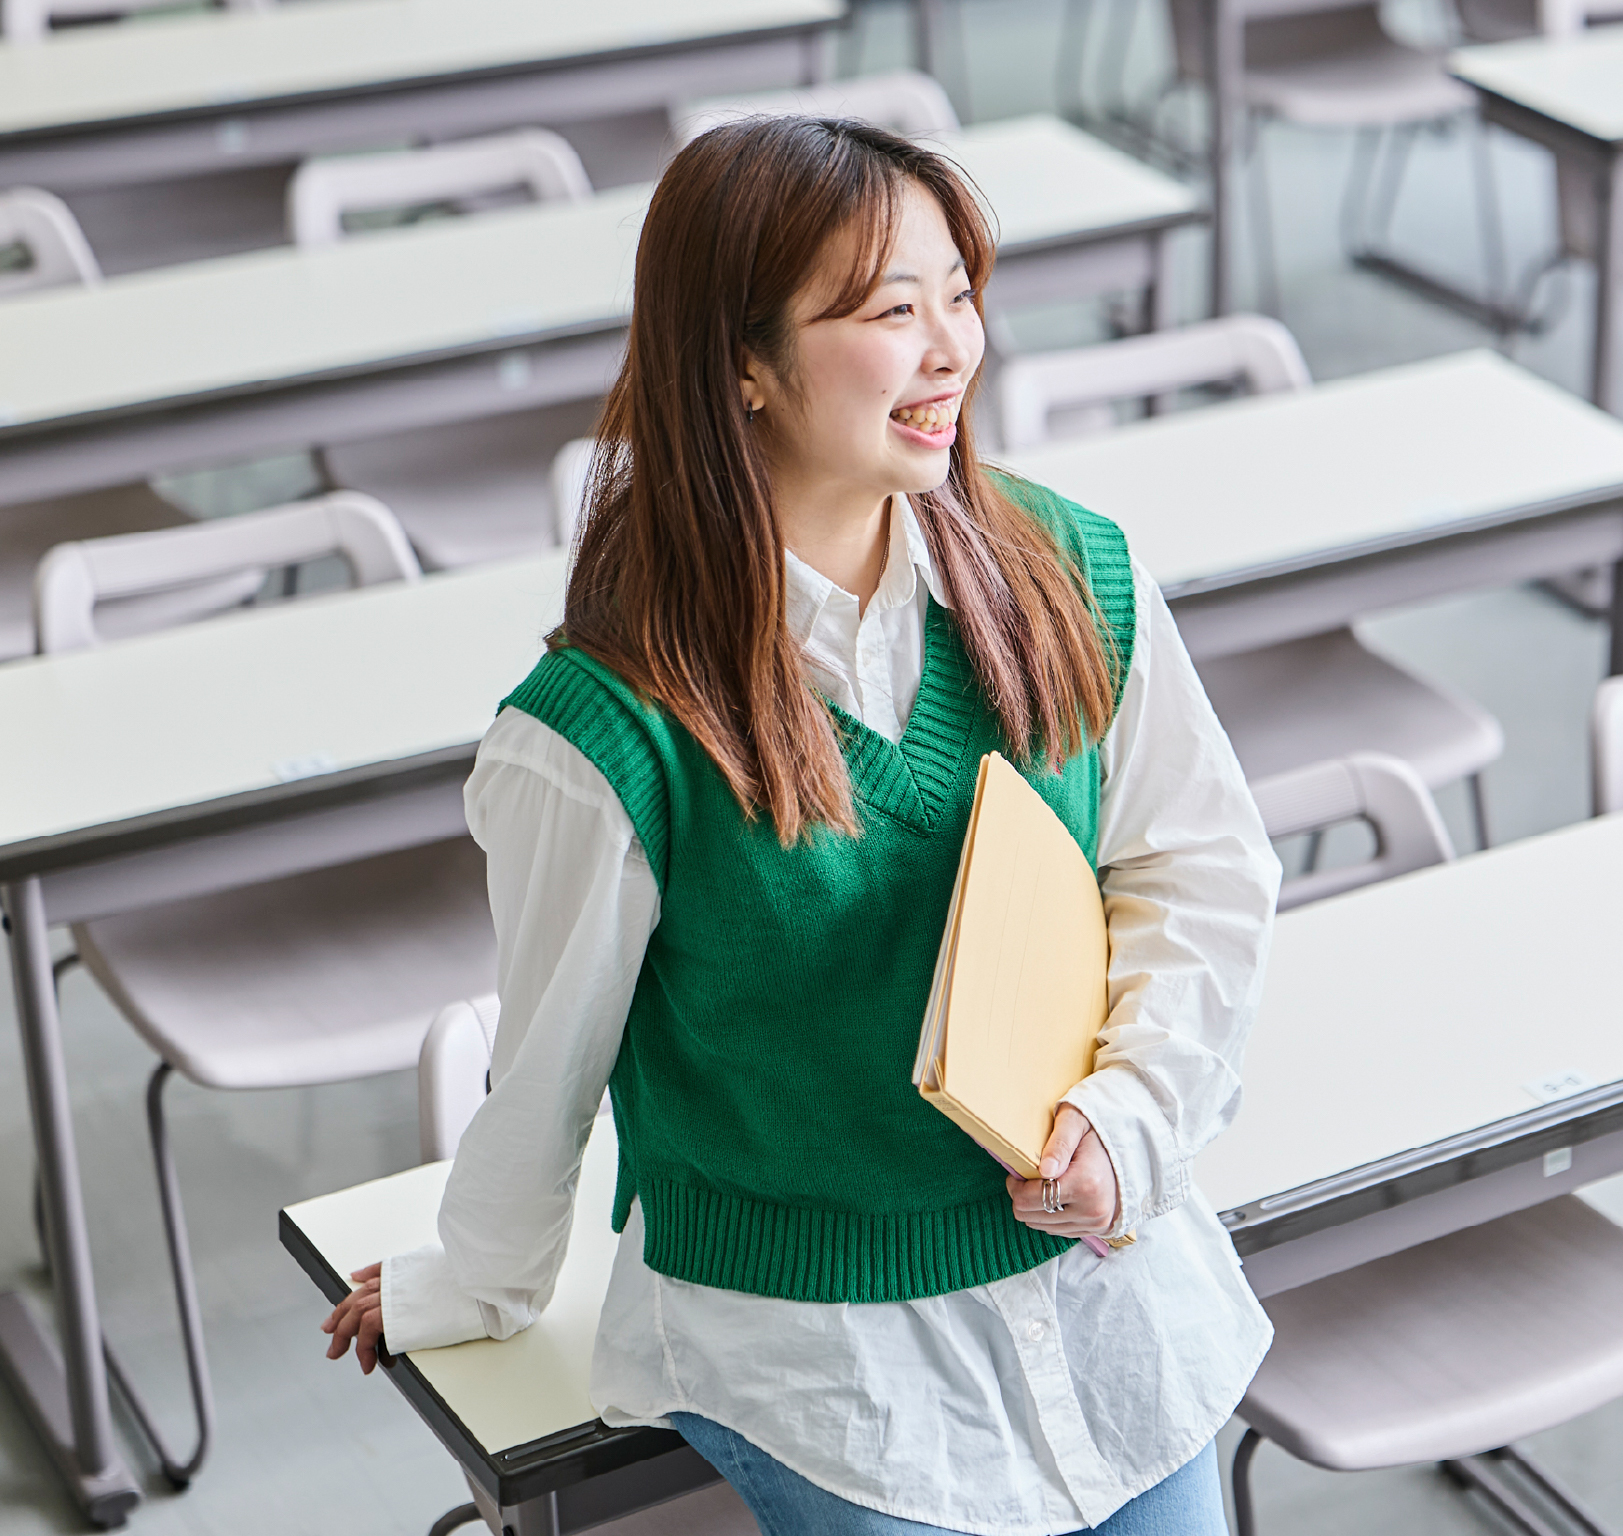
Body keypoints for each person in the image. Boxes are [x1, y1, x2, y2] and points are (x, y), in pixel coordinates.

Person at [322, 116, 1281, 1536]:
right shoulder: (604, 733)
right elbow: (546, 1073)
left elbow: (1198, 868)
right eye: (893, 310)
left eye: (961, 291)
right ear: (744, 367)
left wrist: (1128, 1116)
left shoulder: (1071, 568)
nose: (953, 347)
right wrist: (474, 1281)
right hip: (817, 1339)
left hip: (1093, 1265)